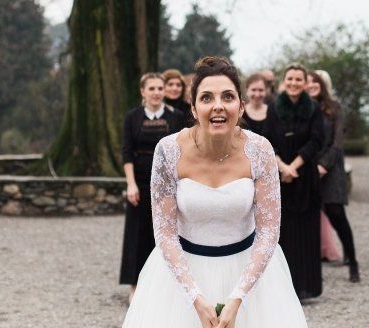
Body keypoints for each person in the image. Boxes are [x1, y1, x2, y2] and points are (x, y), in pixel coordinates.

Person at [123, 56, 307, 328]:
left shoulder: (260, 150)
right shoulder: (168, 150)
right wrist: (194, 297)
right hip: (181, 278)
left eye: (228, 97)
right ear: (194, 108)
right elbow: (164, 233)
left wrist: (238, 297)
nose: (218, 106)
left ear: (241, 106)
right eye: (207, 98)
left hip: (250, 278)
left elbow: (268, 231)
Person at [120, 73, 186, 300]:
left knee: (166, 232)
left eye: (160, 88)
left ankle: (167, 286)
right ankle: (135, 286)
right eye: (152, 88)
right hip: (139, 180)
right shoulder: (133, 117)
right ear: (143, 92)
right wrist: (130, 184)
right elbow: (127, 152)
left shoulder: (176, 116)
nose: (157, 92)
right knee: (137, 234)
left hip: (168, 182)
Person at [264, 63, 325, 300]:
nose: (293, 83)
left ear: (305, 82)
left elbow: (316, 140)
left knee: (306, 234)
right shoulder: (273, 108)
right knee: (284, 234)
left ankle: (306, 287)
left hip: (305, 177)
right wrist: (282, 167)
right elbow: (267, 140)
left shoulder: (314, 109)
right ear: (284, 80)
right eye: (290, 79)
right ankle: (283, 288)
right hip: (279, 176)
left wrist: (294, 166)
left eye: (298, 79)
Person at [307, 70, 360, 283]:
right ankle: (311, 271)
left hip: (331, 170)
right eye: (308, 82)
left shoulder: (334, 107)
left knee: (337, 215)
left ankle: (353, 261)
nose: (311, 85)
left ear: (322, 85)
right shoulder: (304, 108)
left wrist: (323, 165)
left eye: (315, 82)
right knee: (310, 221)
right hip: (308, 169)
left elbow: (337, 142)